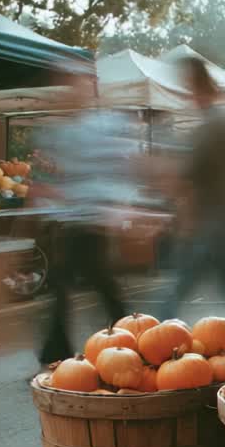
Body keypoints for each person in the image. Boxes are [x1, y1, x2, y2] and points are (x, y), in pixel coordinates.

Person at [36, 75, 136, 365]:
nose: (70, 94)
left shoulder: (100, 126)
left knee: (92, 283)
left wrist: (116, 206)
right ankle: (126, 336)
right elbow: (58, 172)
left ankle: (128, 337)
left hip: (92, 219)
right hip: (74, 218)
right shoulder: (66, 129)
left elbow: (117, 166)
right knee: (85, 283)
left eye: (75, 89)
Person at [161, 56, 225, 320]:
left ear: (197, 85)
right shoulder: (215, 122)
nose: (186, 92)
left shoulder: (214, 125)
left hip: (213, 218)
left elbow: (191, 172)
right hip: (219, 216)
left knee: (181, 284)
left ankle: (153, 335)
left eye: (188, 84)